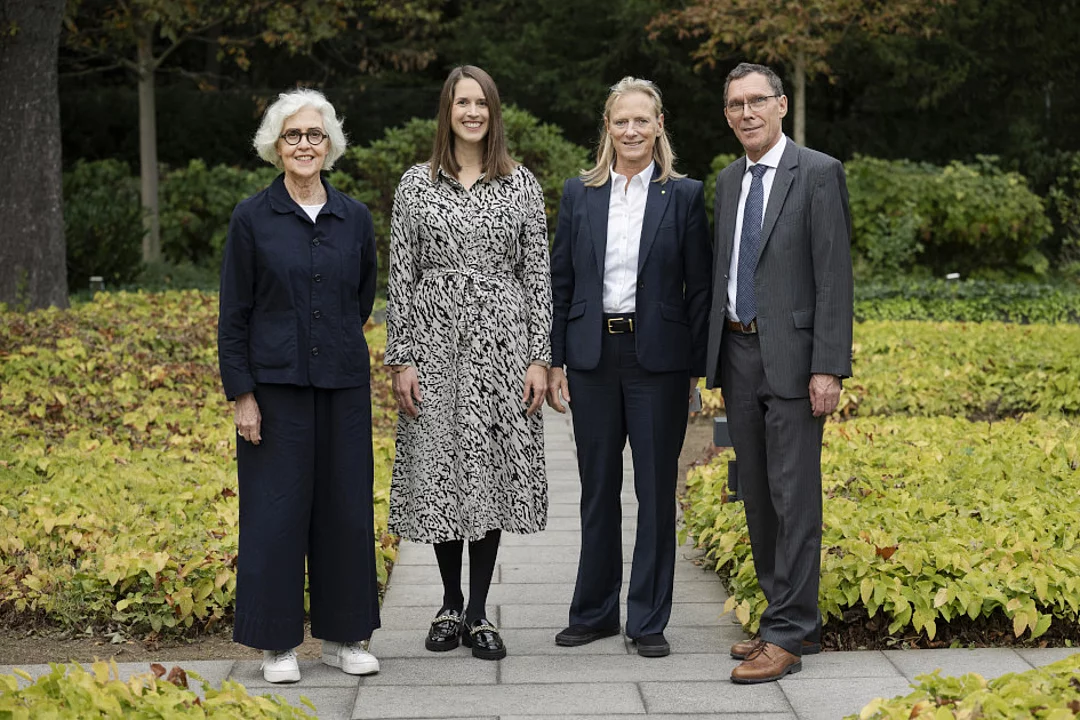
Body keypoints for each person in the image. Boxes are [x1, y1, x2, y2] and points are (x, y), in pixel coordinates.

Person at [385, 65, 552, 661]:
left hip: (501, 347)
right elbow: (401, 276)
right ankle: (448, 602)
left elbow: (538, 273)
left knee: (487, 470)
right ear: (447, 111)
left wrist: (539, 356)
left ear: (494, 111)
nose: (473, 112)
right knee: (441, 471)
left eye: (482, 102)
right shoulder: (415, 185)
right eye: (462, 103)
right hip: (433, 345)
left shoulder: (522, 184)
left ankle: (479, 612)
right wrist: (400, 357)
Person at [217, 88, 381, 684]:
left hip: (341, 385)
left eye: (314, 135)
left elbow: (360, 296)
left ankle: (345, 638)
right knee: (275, 515)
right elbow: (234, 313)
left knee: (344, 511)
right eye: (293, 136)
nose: (305, 144)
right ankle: (277, 644)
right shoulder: (251, 218)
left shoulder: (354, 217)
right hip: (274, 390)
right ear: (276, 146)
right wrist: (243, 394)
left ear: (329, 144)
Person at [547, 77, 712, 658]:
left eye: (643, 120)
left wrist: (694, 372)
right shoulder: (579, 193)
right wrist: (556, 360)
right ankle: (593, 613)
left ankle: (647, 621)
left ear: (659, 124)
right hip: (593, 357)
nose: (632, 130)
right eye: (622, 121)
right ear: (608, 127)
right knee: (597, 490)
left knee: (654, 493)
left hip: (659, 363)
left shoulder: (684, 196)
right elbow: (560, 282)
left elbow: (699, 291)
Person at [704, 62, 853, 684]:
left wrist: (828, 366)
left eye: (756, 101)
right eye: (735, 104)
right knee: (758, 495)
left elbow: (833, 274)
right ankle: (786, 619)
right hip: (738, 354)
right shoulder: (729, 180)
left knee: (795, 496)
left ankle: (788, 635)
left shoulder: (817, 173)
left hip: (793, 359)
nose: (745, 113)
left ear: (781, 105)